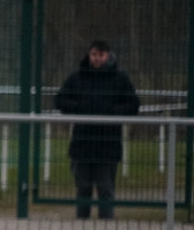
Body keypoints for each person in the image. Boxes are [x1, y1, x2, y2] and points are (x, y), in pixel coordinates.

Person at [54, 40, 140, 220]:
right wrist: (80, 108)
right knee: (83, 189)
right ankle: (81, 224)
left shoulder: (119, 78)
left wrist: (111, 112)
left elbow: (133, 104)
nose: (97, 58)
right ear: (89, 55)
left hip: (108, 144)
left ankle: (106, 226)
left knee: (106, 190)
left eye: (101, 55)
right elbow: (60, 100)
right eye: (94, 54)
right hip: (82, 143)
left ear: (108, 55)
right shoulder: (77, 76)